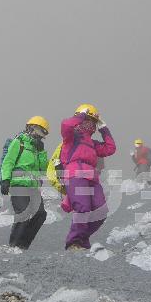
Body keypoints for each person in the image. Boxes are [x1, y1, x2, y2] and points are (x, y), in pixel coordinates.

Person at [61, 103, 116, 250]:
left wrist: (104, 129)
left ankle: (82, 240)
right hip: (75, 175)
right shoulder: (72, 137)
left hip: (92, 178)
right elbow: (65, 125)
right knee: (83, 207)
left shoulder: (93, 143)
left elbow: (110, 149)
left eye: (93, 122)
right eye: (89, 120)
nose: (90, 124)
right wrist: (81, 116)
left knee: (101, 211)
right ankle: (73, 242)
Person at [0, 116, 50, 252]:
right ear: (31, 127)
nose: (40, 135)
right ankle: (13, 245)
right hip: (19, 185)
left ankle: (22, 246)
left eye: (43, 133)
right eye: (39, 130)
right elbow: (8, 161)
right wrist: (5, 179)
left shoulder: (37, 149)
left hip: (33, 188)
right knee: (23, 214)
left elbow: (43, 169)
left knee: (41, 214)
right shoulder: (19, 142)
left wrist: (41, 152)